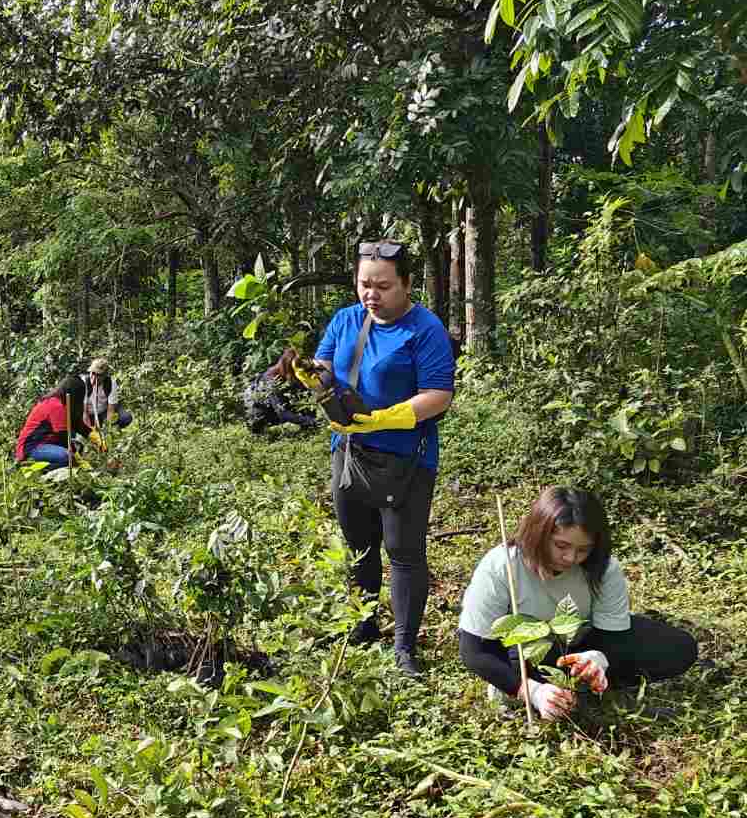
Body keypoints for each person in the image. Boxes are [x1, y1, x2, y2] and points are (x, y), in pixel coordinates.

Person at [306, 240, 455, 678]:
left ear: (407, 284)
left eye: (383, 286)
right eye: (364, 284)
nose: (372, 294)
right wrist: (308, 373)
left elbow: (439, 395)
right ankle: (363, 624)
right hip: (350, 452)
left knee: (404, 551)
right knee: (360, 546)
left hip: (407, 456)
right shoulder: (346, 319)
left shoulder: (424, 329)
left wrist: (386, 418)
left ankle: (405, 647)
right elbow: (325, 365)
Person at [458, 486, 698, 719]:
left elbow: (614, 635)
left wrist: (599, 659)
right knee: (515, 664)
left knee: (677, 647)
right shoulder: (502, 565)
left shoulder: (602, 567)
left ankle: (585, 685)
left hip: (581, 643)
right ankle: (528, 688)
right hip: (527, 653)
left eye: (584, 549)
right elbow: (475, 650)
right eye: (561, 545)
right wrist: (533, 692)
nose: (571, 558)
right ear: (538, 534)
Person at [14, 375, 99, 469]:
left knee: (77, 448)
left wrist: (95, 437)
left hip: (48, 443)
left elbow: (78, 425)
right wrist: (78, 459)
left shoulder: (65, 404)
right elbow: (63, 438)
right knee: (68, 457)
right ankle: (34, 469)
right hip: (32, 447)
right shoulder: (56, 405)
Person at [243, 355, 319, 434]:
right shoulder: (272, 379)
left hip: (275, 407)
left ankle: (308, 427)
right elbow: (282, 413)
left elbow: (306, 398)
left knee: (300, 393)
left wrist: (312, 420)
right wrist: (311, 421)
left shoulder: (292, 374)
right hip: (259, 415)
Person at [82, 358, 132, 430]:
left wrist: (108, 428)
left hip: (104, 412)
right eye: (92, 373)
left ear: (104, 375)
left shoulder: (111, 383)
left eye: (98, 375)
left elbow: (110, 410)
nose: (94, 377)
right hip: (89, 414)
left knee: (126, 418)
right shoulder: (83, 383)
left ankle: (114, 432)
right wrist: (90, 431)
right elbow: (84, 412)